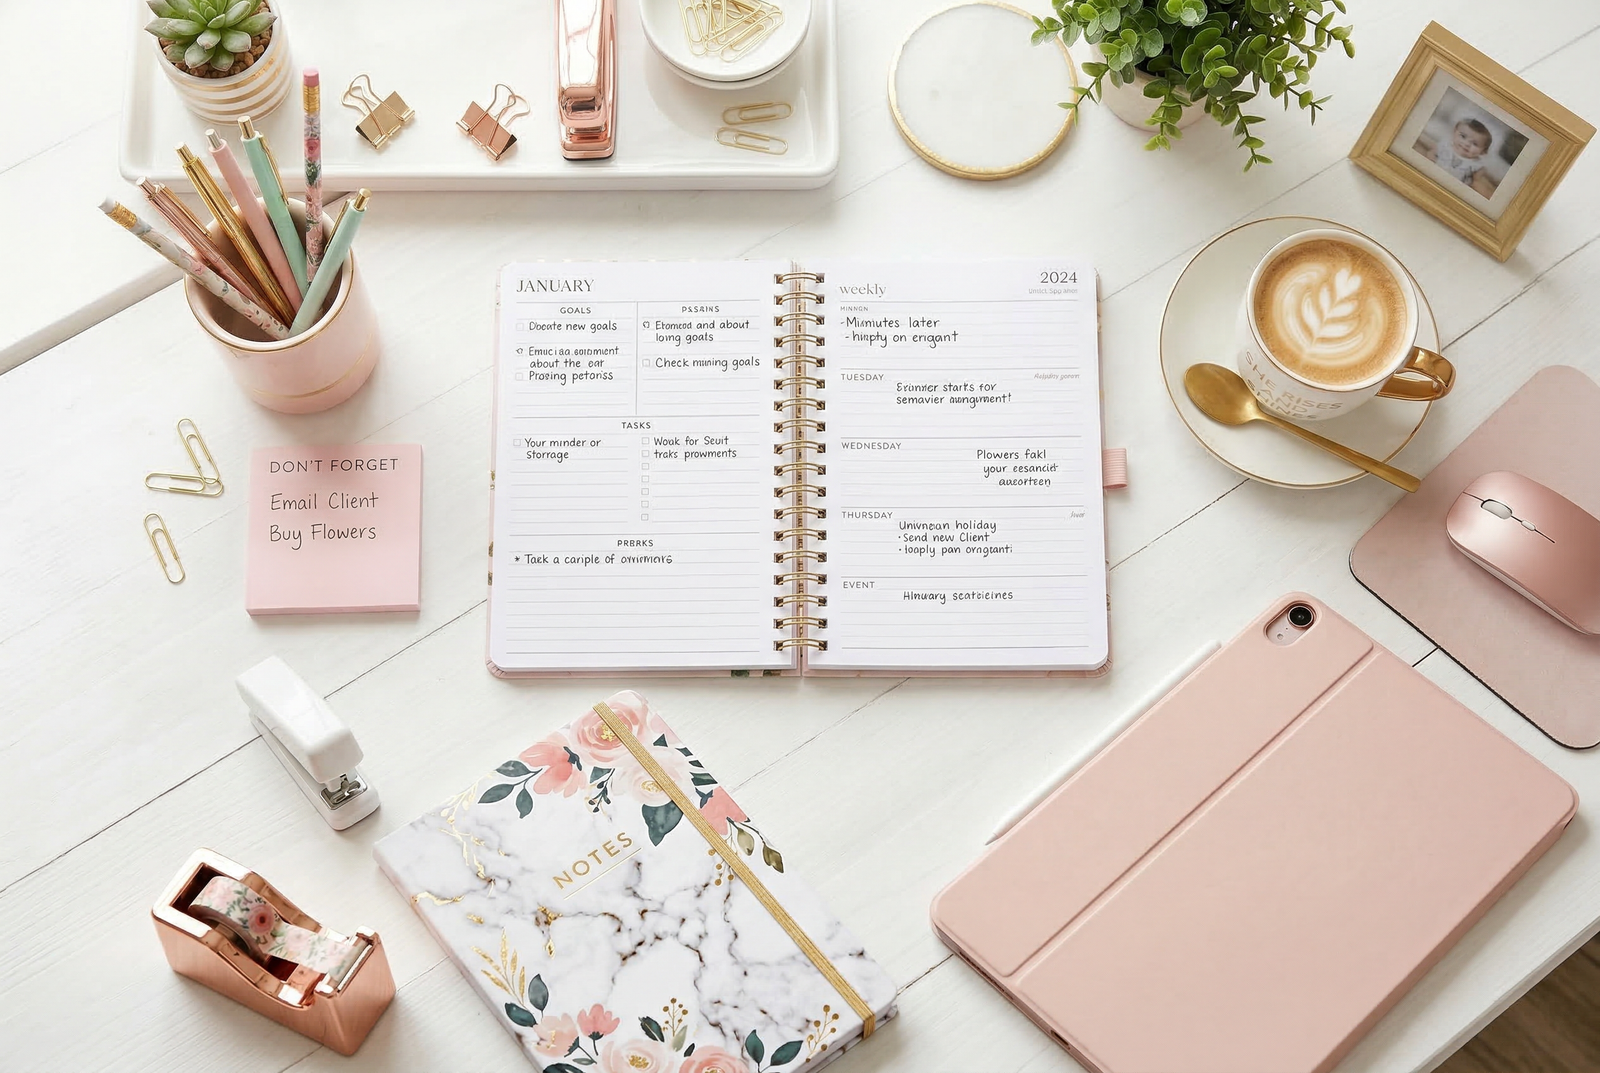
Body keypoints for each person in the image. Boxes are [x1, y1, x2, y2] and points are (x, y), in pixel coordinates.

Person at [1431, 117, 1497, 197]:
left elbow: (1476, 183)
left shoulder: (1476, 165)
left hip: (1454, 191)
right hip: (1433, 177)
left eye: (1475, 144)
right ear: (1454, 132)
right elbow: (1431, 155)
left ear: (1483, 151)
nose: (1466, 144)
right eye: (1463, 136)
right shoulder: (1445, 146)